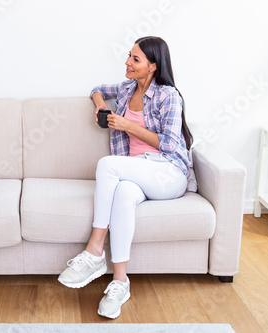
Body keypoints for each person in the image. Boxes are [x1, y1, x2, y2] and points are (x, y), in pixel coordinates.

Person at [58, 36, 194, 319]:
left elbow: (169, 144)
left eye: (135, 59)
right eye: (129, 56)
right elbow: (96, 89)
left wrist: (127, 125)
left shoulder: (168, 96)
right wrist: (100, 105)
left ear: (153, 66)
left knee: (109, 165)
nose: (127, 62)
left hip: (167, 171)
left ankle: (95, 250)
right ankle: (120, 282)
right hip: (138, 170)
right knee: (122, 194)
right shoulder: (125, 88)